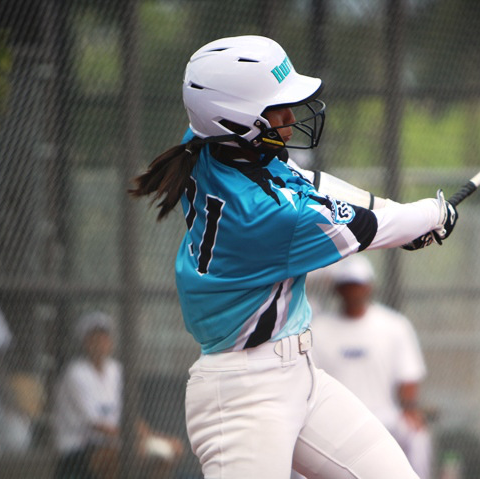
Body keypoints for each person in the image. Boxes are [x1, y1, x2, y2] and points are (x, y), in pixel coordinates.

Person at [129, 35, 458, 479]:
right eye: (275, 108)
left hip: (300, 378)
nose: (289, 117)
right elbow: (365, 228)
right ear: (233, 119)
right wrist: (432, 214)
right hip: (243, 398)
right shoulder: (264, 214)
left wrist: (403, 215)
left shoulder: (213, 146)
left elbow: (310, 183)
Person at [312, 255, 434, 479]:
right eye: (347, 285)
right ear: (337, 289)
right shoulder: (317, 329)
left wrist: (409, 408)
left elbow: (408, 375)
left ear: (369, 286)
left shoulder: (394, 325)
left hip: (383, 415)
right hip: (335, 418)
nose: (353, 291)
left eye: (357, 284)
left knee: (417, 437)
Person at [52, 311, 183, 479]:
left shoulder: (116, 370)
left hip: (118, 441)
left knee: (172, 449)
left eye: (104, 337)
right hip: (79, 448)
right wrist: (134, 442)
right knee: (126, 454)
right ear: (85, 341)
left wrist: (151, 437)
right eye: (95, 338)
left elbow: (128, 415)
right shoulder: (75, 373)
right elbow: (96, 425)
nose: (101, 342)